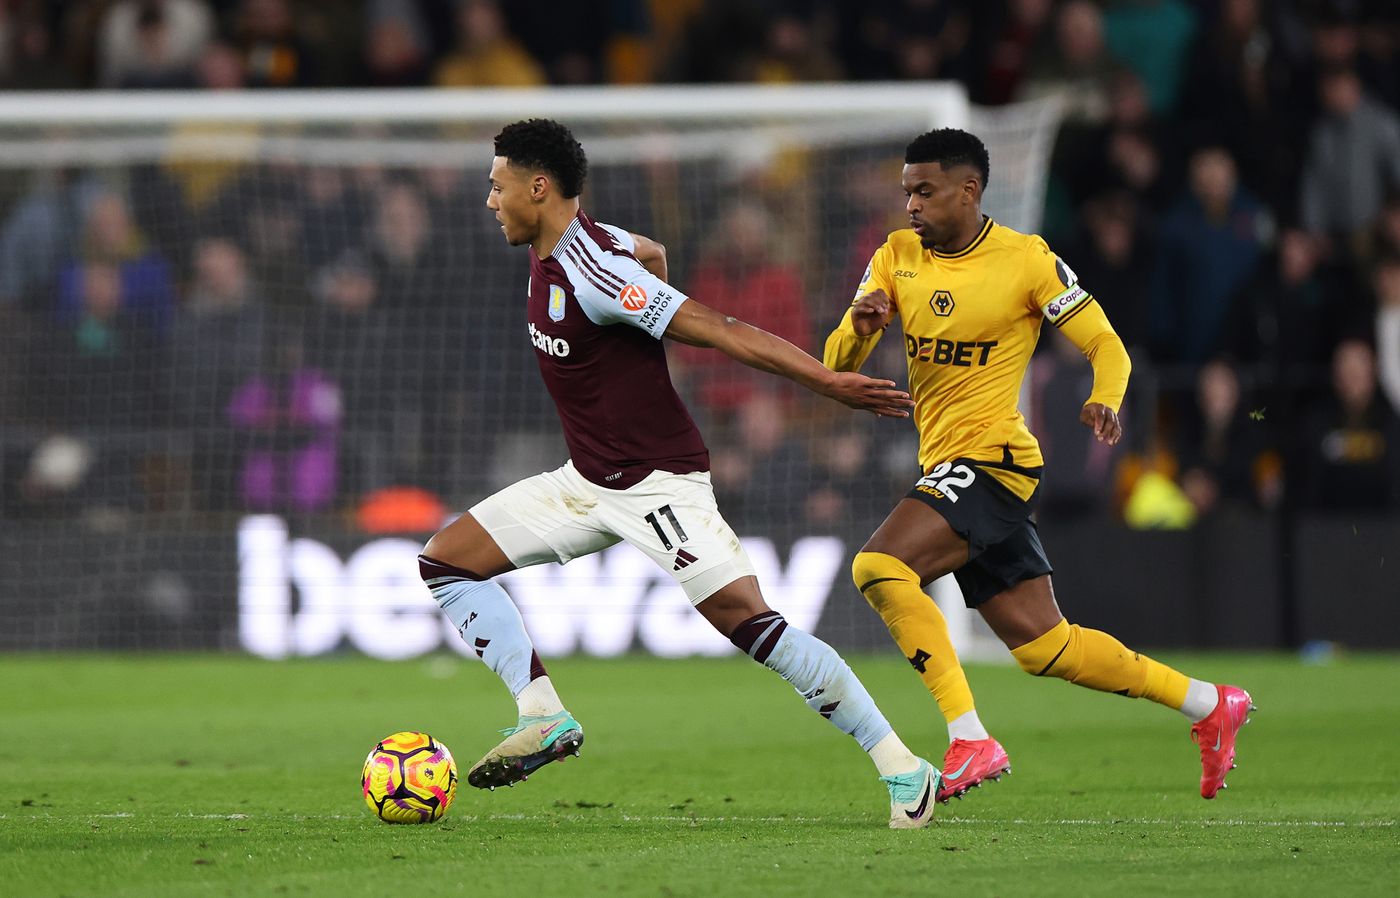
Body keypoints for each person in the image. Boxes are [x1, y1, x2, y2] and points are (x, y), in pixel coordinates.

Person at [417, 119, 939, 829]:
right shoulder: (592, 246)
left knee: (751, 624)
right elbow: (653, 251)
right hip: (585, 482)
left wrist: (827, 382)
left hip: (660, 484)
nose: (490, 201)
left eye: (496, 186)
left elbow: (722, 329)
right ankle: (542, 716)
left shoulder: (596, 271)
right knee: (446, 561)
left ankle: (904, 768)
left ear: (538, 189)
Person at [822, 128, 1255, 804]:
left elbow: (1107, 344)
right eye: (907, 192)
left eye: (924, 191)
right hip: (949, 464)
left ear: (968, 190)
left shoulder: (1027, 260)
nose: (910, 206)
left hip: (995, 461)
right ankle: (1209, 703)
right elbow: (835, 368)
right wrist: (860, 326)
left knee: (878, 567)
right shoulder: (894, 256)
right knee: (1045, 648)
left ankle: (969, 738)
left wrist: (1106, 396)